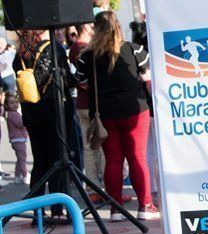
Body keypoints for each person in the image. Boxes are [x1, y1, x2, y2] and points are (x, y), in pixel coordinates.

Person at [77, 11, 159, 220]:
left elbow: (80, 81)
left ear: (95, 29)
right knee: (137, 157)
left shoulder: (88, 56)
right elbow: (147, 75)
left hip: (105, 113)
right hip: (135, 110)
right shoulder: (134, 50)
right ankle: (145, 206)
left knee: (113, 160)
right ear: (119, 27)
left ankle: (115, 210)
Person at [13, 29, 78, 220]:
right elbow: (66, 79)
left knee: (40, 162)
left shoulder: (21, 53)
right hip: (53, 113)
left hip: (32, 115)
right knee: (58, 160)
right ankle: (58, 209)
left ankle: (38, 211)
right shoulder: (53, 48)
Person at [68, 22, 105, 196]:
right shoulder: (83, 49)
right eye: (91, 25)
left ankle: (93, 187)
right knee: (97, 146)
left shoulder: (77, 48)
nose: (94, 27)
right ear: (85, 27)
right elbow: (83, 80)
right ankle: (97, 187)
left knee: (91, 146)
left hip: (85, 104)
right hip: (91, 105)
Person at [5, 95, 28, 184]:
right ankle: (25, 175)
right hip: (18, 140)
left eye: (16, 102)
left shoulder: (13, 113)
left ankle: (17, 175)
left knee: (19, 159)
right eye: (11, 103)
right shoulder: (13, 114)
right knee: (22, 159)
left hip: (17, 140)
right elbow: (21, 123)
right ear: (7, 105)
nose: (14, 104)